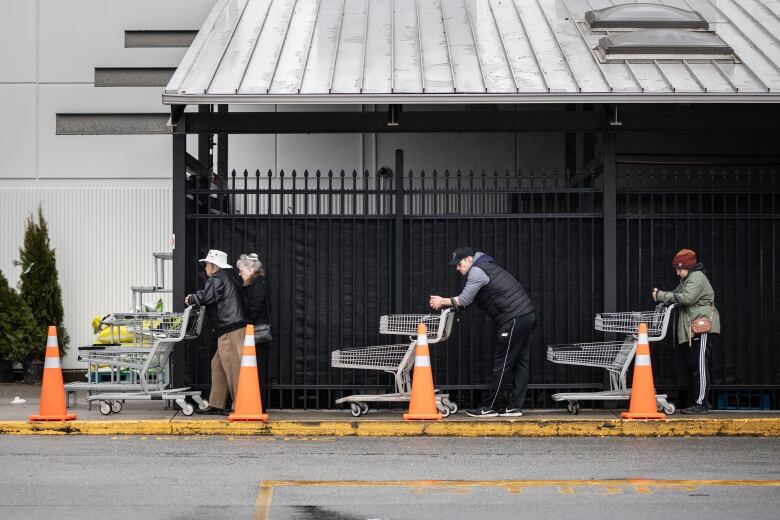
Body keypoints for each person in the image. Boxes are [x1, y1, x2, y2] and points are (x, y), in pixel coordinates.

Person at [430, 246, 536, 418]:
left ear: (470, 260)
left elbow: (464, 300)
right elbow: (469, 300)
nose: (457, 268)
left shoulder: (477, 272)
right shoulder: (486, 267)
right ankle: (515, 407)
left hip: (514, 317)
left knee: (503, 363)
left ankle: (491, 407)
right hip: (526, 314)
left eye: (459, 264)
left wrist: (442, 301)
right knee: (520, 363)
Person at [653, 248, 720, 414]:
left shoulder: (696, 277)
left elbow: (687, 298)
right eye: (676, 269)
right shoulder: (686, 279)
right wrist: (663, 296)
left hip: (700, 327)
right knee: (693, 366)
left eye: (680, 269)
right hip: (692, 328)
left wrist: (660, 295)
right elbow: (676, 294)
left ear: (689, 267)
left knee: (699, 366)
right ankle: (700, 401)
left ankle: (701, 404)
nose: (677, 272)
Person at [185, 249, 246, 415]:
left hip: (230, 329)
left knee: (233, 368)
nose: (205, 268)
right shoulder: (226, 277)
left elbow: (207, 298)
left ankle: (240, 405)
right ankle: (217, 403)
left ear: (213, 265)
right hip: (230, 328)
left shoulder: (217, 279)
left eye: (206, 264)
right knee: (217, 365)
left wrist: (192, 298)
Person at [237, 253, 271, 410]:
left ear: (251, 269)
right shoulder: (255, 283)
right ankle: (255, 403)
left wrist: (243, 322)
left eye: (242, 269)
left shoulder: (258, 283)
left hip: (256, 333)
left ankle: (259, 405)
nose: (240, 273)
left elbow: (253, 308)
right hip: (253, 332)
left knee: (258, 370)